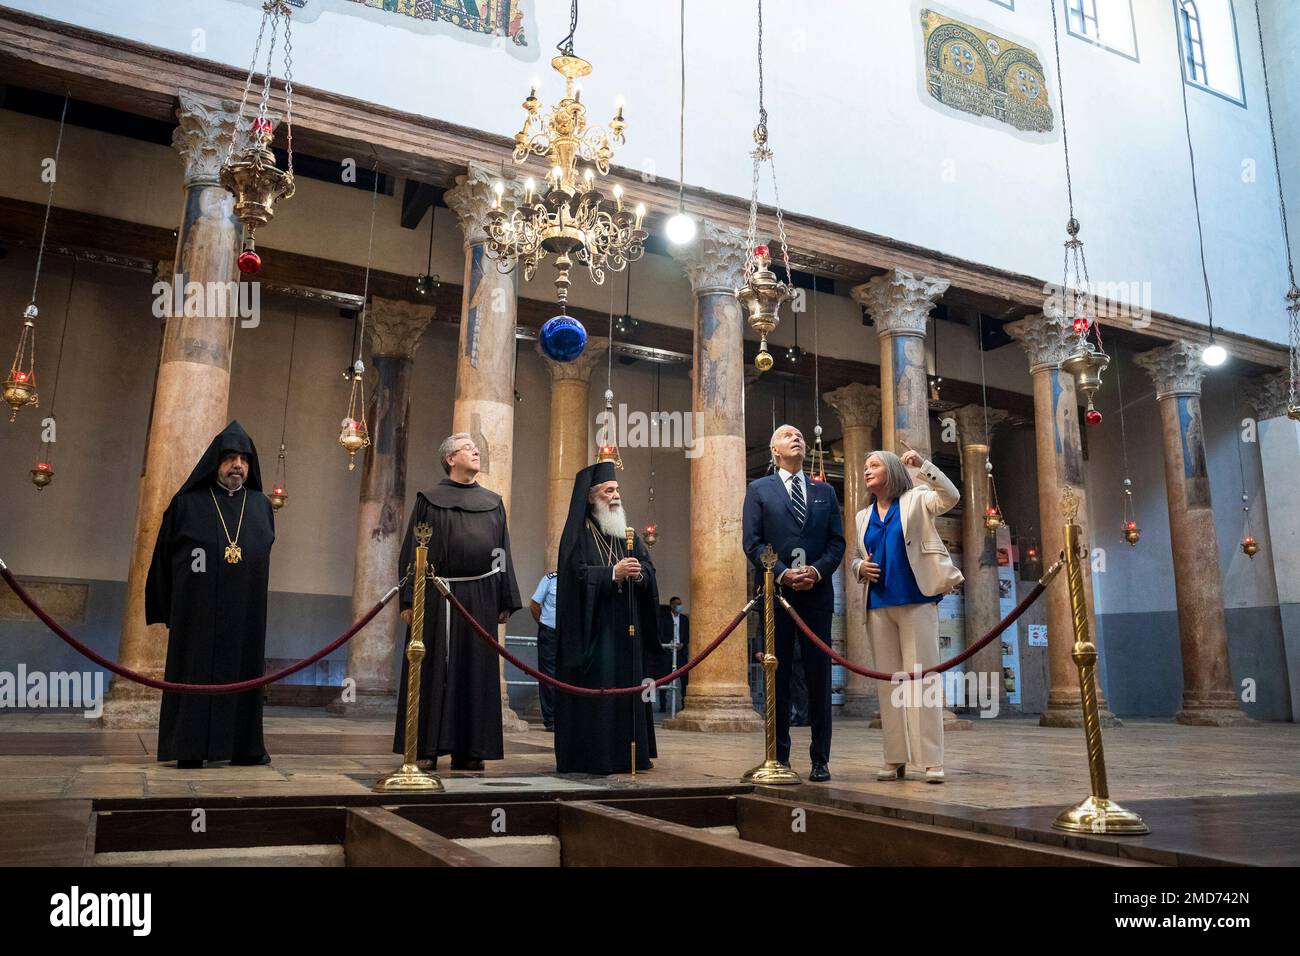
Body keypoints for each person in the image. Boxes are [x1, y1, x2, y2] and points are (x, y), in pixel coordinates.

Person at [147, 421, 274, 769]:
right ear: (215, 461)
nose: (238, 465)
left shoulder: (261, 506)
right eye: (231, 458)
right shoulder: (187, 503)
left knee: (244, 675)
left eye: (244, 459)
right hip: (196, 616)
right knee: (195, 674)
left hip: (246, 615)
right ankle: (189, 747)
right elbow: (162, 559)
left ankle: (244, 747)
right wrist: (166, 606)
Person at [393, 432, 521, 771]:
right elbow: (412, 551)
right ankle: (425, 747)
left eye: (476, 448)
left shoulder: (494, 502)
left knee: (476, 668)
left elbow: (502, 552)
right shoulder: (429, 499)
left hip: (481, 595)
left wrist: (506, 595)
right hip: (434, 592)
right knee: (432, 667)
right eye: (468, 448)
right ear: (450, 459)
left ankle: (471, 748)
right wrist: (408, 597)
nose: (476, 451)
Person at [851, 448, 963, 784]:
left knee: (923, 682)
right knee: (890, 686)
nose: (866, 470)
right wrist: (859, 568)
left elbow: (951, 496)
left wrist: (923, 466)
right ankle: (894, 758)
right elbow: (859, 557)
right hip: (878, 605)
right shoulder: (861, 516)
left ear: (892, 471)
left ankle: (931, 761)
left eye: (874, 465)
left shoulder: (917, 500)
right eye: (865, 465)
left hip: (916, 599)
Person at [741, 424, 845, 781]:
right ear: (774, 449)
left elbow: (837, 542)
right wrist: (784, 574)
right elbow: (752, 544)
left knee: (818, 676)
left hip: (817, 596)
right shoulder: (759, 490)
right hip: (776, 597)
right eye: (787, 435)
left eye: (799, 435)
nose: (796, 438)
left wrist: (815, 572)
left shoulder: (825, 491)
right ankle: (778, 756)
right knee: (778, 676)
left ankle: (820, 759)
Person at [554, 461, 665, 774]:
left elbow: (649, 570)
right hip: (595, 630)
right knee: (600, 690)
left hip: (627, 629)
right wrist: (611, 574)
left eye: (617, 490)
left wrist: (640, 576)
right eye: (609, 490)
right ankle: (597, 756)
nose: (616, 496)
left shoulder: (627, 534)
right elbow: (574, 577)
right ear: (592, 497)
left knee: (627, 687)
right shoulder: (578, 534)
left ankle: (631, 755)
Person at [529, 570, 558, 731]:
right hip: (550, 633)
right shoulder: (550, 579)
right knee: (548, 677)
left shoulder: (577, 579)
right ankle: (551, 719)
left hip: (570, 636)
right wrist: (544, 624)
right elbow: (534, 604)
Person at [655, 596, 690, 713]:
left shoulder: (684, 619)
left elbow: (687, 635)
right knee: (664, 678)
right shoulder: (664, 619)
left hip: (681, 653)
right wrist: (669, 644)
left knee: (684, 678)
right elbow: (660, 633)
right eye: (677, 604)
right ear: (671, 605)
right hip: (668, 652)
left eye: (680, 604)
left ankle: (685, 703)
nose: (679, 606)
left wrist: (683, 644)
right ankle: (663, 705)